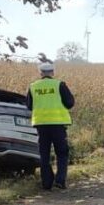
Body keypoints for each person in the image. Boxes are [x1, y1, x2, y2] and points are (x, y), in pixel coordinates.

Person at [26, 61, 75, 190]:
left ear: (40, 73)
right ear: (52, 72)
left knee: (44, 154)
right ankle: (60, 180)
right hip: (58, 124)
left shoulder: (33, 86)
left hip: (41, 125)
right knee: (62, 152)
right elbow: (70, 103)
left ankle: (47, 183)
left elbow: (29, 106)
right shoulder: (60, 85)